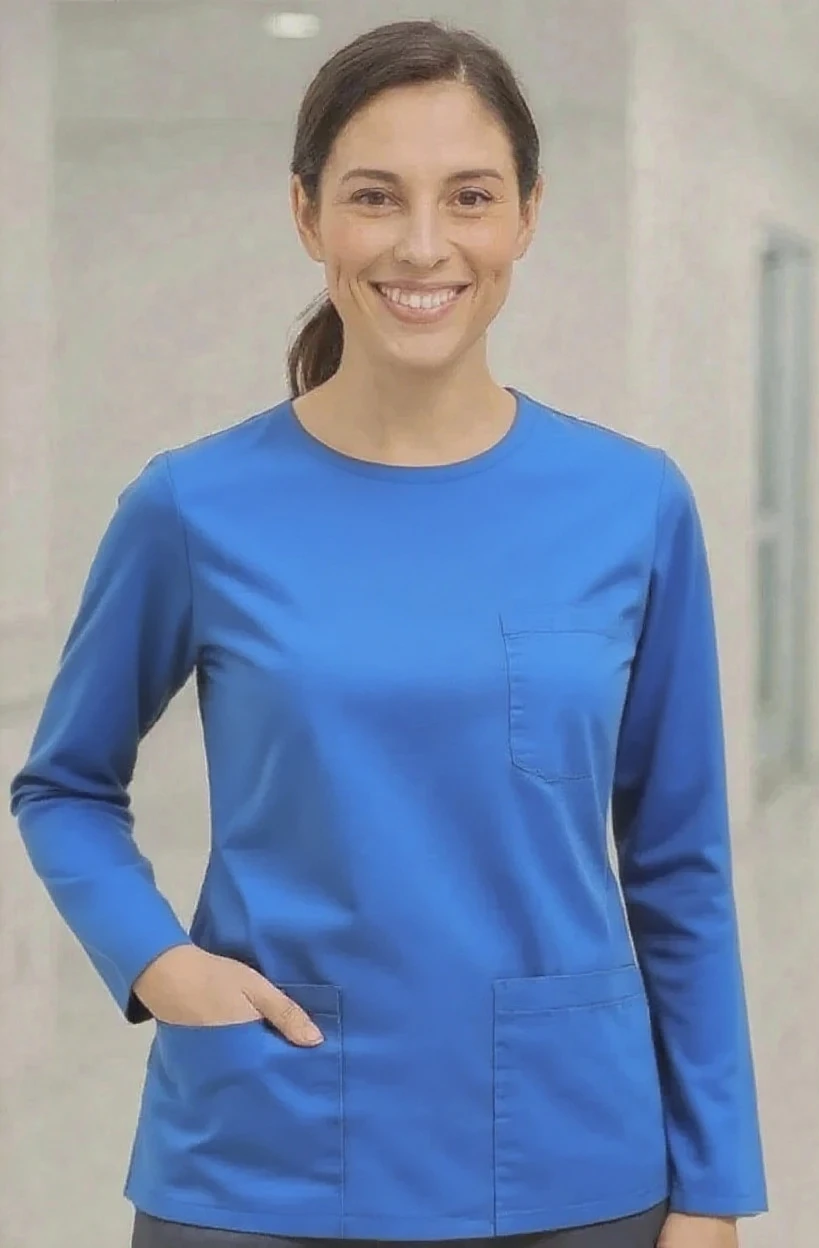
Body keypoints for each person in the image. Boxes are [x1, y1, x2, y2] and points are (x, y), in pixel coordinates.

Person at [9, 18, 767, 1248]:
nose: (424, 244)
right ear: (308, 217)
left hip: (568, 1160)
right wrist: (158, 963)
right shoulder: (193, 507)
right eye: (375, 197)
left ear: (526, 213)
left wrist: (717, 1186)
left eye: (469, 196)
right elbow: (65, 787)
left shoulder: (633, 506)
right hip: (264, 1157)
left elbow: (680, 867)